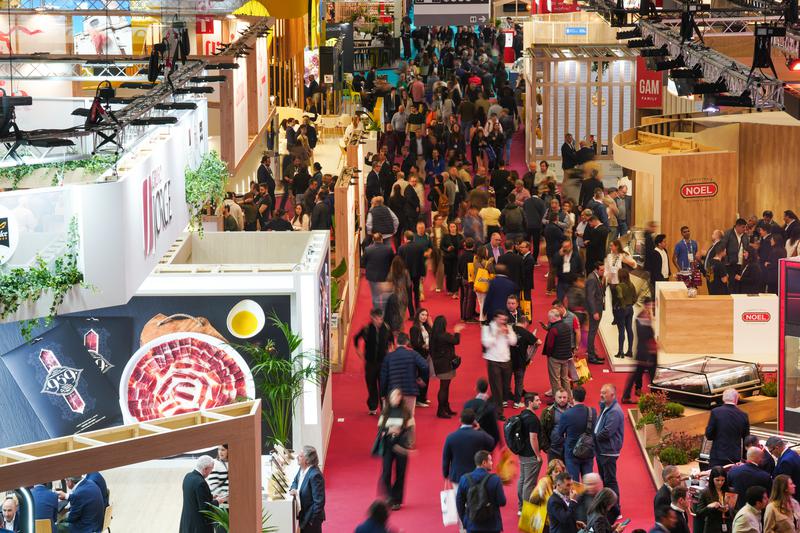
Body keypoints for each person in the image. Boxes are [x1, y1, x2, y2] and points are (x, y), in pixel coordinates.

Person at [381, 332, 429, 442]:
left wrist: (383, 394)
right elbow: (425, 366)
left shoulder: (389, 357)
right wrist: (421, 378)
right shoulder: (413, 354)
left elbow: (383, 377)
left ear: (396, 342)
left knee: (391, 417)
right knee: (409, 417)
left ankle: (389, 441)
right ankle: (408, 441)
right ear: (407, 342)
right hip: (410, 390)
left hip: (393, 392)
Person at [376, 388, 413, 510]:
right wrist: (389, 430)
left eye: (397, 396)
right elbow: (380, 429)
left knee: (400, 472)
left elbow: (410, 429)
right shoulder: (385, 412)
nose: (395, 398)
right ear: (389, 398)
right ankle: (389, 496)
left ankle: (397, 499)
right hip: (388, 445)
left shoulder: (406, 411)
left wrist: (402, 434)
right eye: (393, 396)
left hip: (401, 446)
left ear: (401, 398)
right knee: (386, 471)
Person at [456, 450, 506, 533]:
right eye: (490, 460)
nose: (492, 463)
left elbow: (459, 502)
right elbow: (502, 502)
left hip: (472, 525)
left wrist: (465, 520)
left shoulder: (464, 479)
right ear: (484, 463)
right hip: (492, 525)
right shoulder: (495, 479)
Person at [354, 308, 393, 415]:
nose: (379, 321)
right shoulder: (367, 329)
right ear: (372, 318)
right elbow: (356, 338)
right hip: (370, 363)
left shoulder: (386, 328)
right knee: (371, 385)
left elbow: (391, 341)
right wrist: (358, 351)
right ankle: (372, 406)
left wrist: (390, 350)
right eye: (377, 319)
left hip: (383, 362)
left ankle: (384, 407)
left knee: (383, 385)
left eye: (381, 319)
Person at [443, 409, 496, 485]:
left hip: (458, 477)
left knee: (459, 496)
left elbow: (446, 458)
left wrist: (446, 474)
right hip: (477, 476)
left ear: (460, 420)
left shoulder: (451, 437)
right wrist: (480, 429)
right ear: (474, 421)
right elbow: (492, 443)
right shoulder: (481, 435)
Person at [554, 386, 596, 481]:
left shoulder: (567, 414)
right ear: (584, 396)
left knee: (574, 484)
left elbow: (560, 433)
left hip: (571, 453)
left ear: (572, 397)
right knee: (588, 483)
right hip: (588, 451)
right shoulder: (592, 412)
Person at [481, 310, 517, 419]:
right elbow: (486, 343)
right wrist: (496, 333)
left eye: (504, 319)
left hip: (506, 360)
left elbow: (514, 342)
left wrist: (507, 334)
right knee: (497, 387)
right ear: (495, 318)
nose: (503, 321)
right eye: (500, 319)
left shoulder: (508, 327)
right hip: (493, 360)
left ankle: (492, 403)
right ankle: (498, 412)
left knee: (506, 387)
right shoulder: (487, 328)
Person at [622, 298, 657, 403]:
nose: (651, 307)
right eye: (650, 305)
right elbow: (644, 336)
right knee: (642, 374)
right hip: (644, 352)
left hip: (645, 352)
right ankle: (627, 396)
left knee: (638, 373)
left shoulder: (644, 316)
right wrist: (650, 349)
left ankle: (628, 395)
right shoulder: (642, 318)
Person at [594, 384, 624, 503]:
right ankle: (609, 505)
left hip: (608, 451)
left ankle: (616, 509)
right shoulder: (606, 407)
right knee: (605, 480)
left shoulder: (614, 412)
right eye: (601, 392)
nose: (601, 395)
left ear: (612, 395)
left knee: (610, 481)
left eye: (604, 393)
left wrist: (593, 438)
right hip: (603, 450)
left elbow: (607, 432)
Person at [705, 388, 750, 468]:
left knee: (716, 478)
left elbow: (709, 435)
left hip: (717, 455)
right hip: (734, 456)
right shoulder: (743, 415)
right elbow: (747, 439)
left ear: (723, 398)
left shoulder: (715, 412)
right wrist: (744, 459)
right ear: (736, 399)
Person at [430, 315, 464, 418]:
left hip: (439, 364)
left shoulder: (434, 335)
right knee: (444, 388)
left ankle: (445, 408)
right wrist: (457, 331)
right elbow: (456, 341)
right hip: (445, 365)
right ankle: (441, 410)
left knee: (445, 387)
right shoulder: (444, 336)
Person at [515, 392, 544, 513]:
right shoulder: (533, 419)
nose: (540, 402)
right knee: (529, 483)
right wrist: (538, 455)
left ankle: (521, 507)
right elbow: (533, 438)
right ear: (530, 403)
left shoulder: (522, 414)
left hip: (522, 453)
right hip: (530, 455)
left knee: (522, 480)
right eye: (537, 400)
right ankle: (527, 510)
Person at [179, 456, 224, 533]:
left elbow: (194, 496)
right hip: (198, 526)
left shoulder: (188, 476)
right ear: (205, 469)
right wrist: (217, 501)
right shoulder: (201, 483)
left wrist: (210, 496)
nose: (211, 472)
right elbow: (204, 508)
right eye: (211, 469)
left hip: (187, 523)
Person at [290, 446, 326, 533]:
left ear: (307, 460)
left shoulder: (315, 475)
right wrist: (294, 489)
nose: (297, 456)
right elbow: (295, 481)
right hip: (304, 516)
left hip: (311, 520)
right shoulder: (302, 469)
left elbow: (319, 502)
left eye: (301, 456)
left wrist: (311, 520)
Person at [727, 447, 773, 511]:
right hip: (755, 512)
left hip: (735, 510)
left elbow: (728, 490)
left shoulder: (733, 470)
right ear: (759, 458)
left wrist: (730, 508)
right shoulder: (765, 476)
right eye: (762, 457)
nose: (763, 460)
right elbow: (769, 497)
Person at [543, 308, 574, 402]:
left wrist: (549, 355)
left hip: (555, 357)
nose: (548, 320)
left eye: (549, 318)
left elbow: (549, 345)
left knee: (555, 379)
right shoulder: (566, 326)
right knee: (565, 378)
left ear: (552, 318)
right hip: (565, 356)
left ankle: (558, 400)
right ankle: (569, 398)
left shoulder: (553, 330)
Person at [511, 315, 540, 406]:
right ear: (525, 323)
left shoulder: (510, 328)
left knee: (506, 380)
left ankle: (504, 401)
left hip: (508, 360)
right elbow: (539, 342)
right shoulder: (526, 333)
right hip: (520, 361)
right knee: (519, 381)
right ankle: (517, 402)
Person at [464, 378, 501, 449]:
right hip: (487, 439)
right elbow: (495, 426)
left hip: (471, 438)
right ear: (487, 389)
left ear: (476, 388)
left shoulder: (468, 404)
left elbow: (464, 422)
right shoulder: (491, 406)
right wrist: (499, 442)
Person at [363, 233, 395, 310]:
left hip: (372, 276)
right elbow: (392, 261)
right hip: (385, 276)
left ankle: (377, 313)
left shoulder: (367, 249)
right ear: (382, 239)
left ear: (373, 240)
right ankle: (384, 313)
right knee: (385, 296)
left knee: (375, 295)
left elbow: (363, 262)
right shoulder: (388, 249)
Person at [695, 466, 732, 533]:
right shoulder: (705, 492)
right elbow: (699, 513)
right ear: (712, 479)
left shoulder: (730, 491)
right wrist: (709, 507)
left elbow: (736, 510)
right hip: (712, 527)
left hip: (728, 527)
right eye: (717, 480)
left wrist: (728, 510)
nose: (720, 483)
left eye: (722, 480)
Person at [611, 268, 636, 358]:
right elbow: (635, 298)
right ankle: (630, 351)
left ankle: (620, 352)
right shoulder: (631, 285)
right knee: (629, 329)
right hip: (630, 309)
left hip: (622, 310)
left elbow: (620, 297)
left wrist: (623, 305)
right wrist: (630, 305)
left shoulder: (619, 286)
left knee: (621, 330)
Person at [585, 262, 606, 364]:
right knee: (592, 332)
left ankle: (592, 353)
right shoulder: (592, 279)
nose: (603, 272)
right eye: (602, 270)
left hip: (598, 308)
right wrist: (594, 312)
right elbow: (590, 297)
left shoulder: (595, 277)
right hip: (595, 310)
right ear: (596, 269)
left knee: (593, 332)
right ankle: (591, 356)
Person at [541, 387, 570, 462]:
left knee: (568, 473)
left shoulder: (572, 410)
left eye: (564, 397)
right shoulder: (547, 412)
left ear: (568, 398)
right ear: (555, 398)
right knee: (553, 472)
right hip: (553, 448)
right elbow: (542, 430)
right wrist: (546, 447)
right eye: (559, 397)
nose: (562, 400)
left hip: (570, 448)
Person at [441, 222, 464, 297]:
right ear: (449, 228)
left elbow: (462, 246)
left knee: (456, 274)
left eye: (454, 226)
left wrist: (458, 247)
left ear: (456, 227)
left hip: (457, 258)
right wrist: (447, 249)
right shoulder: (445, 236)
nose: (453, 228)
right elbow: (441, 246)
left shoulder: (460, 236)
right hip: (448, 258)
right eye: (451, 227)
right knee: (448, 274)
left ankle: (455, 290)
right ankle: (449, 289)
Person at [207, 444, 229, 512]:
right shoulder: (214, 463)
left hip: (233, 501)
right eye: (218, 449)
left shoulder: (235, 462)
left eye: (223, 450)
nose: (220, 452)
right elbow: (213, 486)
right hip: (220, 503)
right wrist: (225, 497)